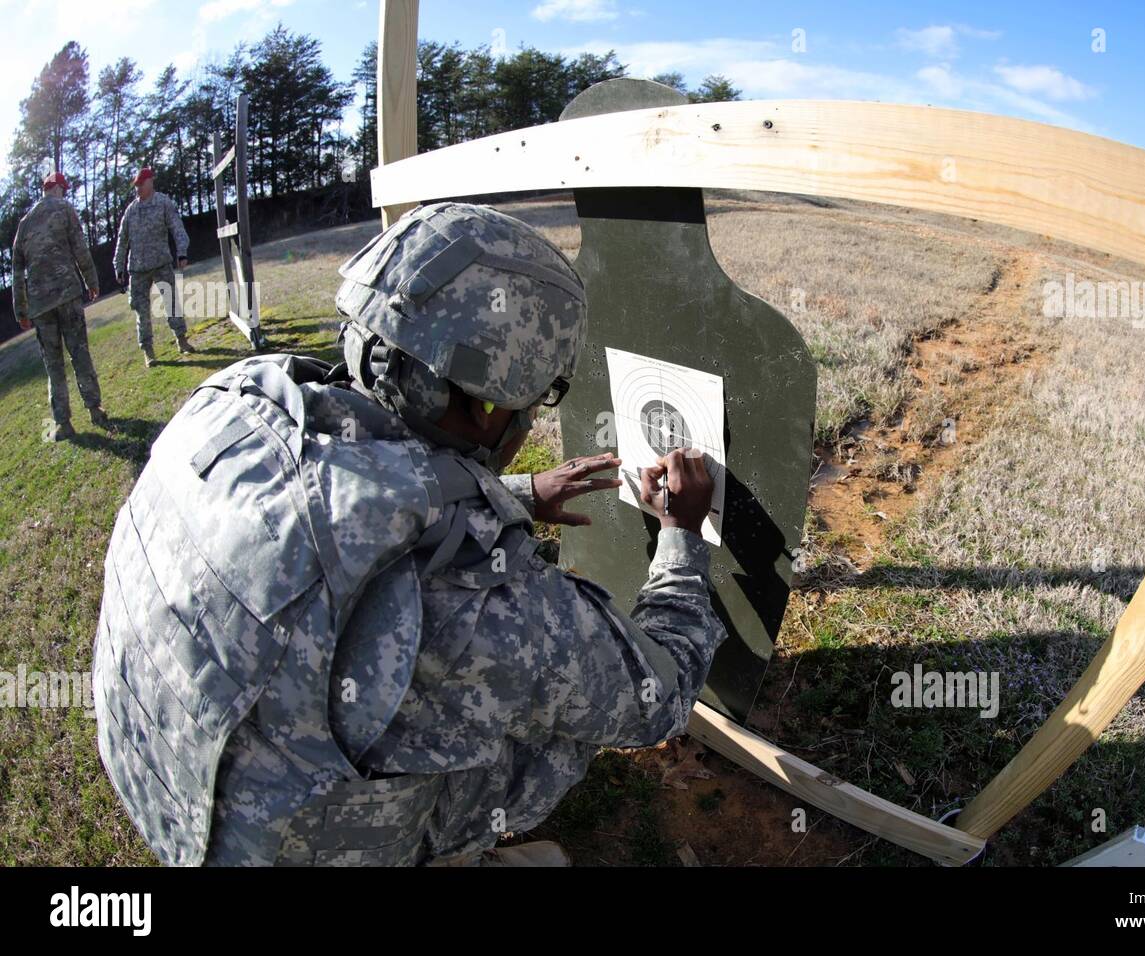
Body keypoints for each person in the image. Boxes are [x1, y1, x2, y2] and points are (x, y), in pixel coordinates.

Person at [92, 202, 728, 866]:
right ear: (483, 409)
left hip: (170, 795)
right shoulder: (478, 601)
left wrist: (511, 494)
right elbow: (659, 696)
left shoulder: (234, 405)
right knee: (559, 723)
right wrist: (680, 534)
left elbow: (343, 502)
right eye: (534, 401)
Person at [11, 171, 111, 441]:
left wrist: (21, 309)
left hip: (40, 306)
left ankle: (63, 424)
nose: (64, 194)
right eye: (63, 189)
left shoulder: (24, 224)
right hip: (67, 295)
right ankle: (95, 409)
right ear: (57, 188)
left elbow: (17, 271)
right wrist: (91, 281)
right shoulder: (64, 208)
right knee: (80, 353)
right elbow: (80, 248)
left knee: (53, 365)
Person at [112, 167, 194, 367]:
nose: (138, 188)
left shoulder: (163, 203)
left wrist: (182, 252)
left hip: (161, 263)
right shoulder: (131, 211)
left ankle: (181, 340)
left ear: (151, 181)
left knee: (171, 302)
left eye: (141, 184)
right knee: (141, 311)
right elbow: (122, 241)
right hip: (137, 269)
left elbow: (177, 227)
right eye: (136, 185)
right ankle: (148, 352)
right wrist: (118, 266)